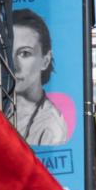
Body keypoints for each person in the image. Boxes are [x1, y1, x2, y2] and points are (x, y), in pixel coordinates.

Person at [12, 9, 68, 146]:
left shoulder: (51, 127)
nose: (14, 65)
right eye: (9, 52)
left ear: (45, 61)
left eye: (25, 53)